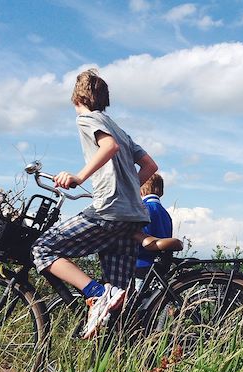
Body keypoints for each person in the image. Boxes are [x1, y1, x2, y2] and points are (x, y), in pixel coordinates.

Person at [32, 69, 158, 339]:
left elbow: (108, 147)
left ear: (77, 97)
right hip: (132, 215)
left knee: (43, 248)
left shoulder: (86, 119)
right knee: (121, 303)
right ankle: (124, 353)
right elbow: (150, 165)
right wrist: (128, 187)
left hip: (109, 211)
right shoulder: (120, 128)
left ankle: (96, 293)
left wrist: (79, 176)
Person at [133, 173, 173, 291]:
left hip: (142, 265)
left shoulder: (142, 209)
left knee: (136, 304)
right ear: (161, 192)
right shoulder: (165, 213)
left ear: (140, 191)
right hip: (160, 266)